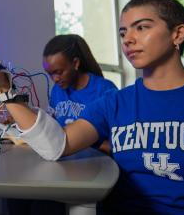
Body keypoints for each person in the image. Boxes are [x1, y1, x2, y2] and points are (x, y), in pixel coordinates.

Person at [0, 0, 184, 214]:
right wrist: (5, 90)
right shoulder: (114, 102)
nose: (128, 40)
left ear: (178, 34)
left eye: (142, 27)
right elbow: (56, 145)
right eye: (123, 32)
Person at [7, 34, 118, 215]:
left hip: (90, 166)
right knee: (16, 194)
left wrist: (87, 142)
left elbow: (116, 145)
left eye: (59, 72)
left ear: (75, 63)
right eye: (50, 74)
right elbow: (52, 124)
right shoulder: (58, 91)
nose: (55, 79)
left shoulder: (105, 90)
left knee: (44, 206)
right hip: (62, 163)